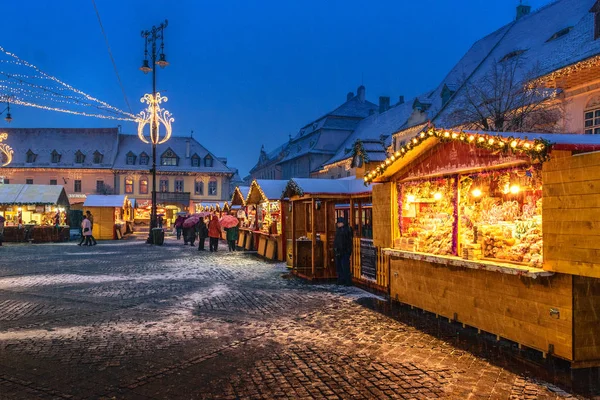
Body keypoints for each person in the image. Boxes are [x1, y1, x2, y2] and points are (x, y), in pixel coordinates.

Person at [333, 217, 353, 285]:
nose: (338, 224)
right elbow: (337, 241)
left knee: (344, 266)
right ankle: (342, 280)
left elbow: (346, 242)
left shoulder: (346, 230)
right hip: (339, 251)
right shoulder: (339, 230)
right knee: (340, 267)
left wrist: (347, 250)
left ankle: (347, 281)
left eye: (339, 223)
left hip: (344, 251)